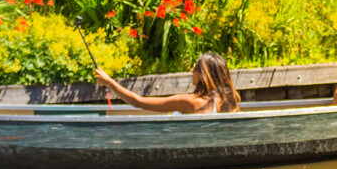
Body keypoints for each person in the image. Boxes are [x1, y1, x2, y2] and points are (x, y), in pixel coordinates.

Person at [93, 52, 240, 114]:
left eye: (195, 68)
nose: (191, 71)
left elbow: (138, 102)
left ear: (203, 75)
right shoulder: (228, 100)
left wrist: (109, 83)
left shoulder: (189, 102)